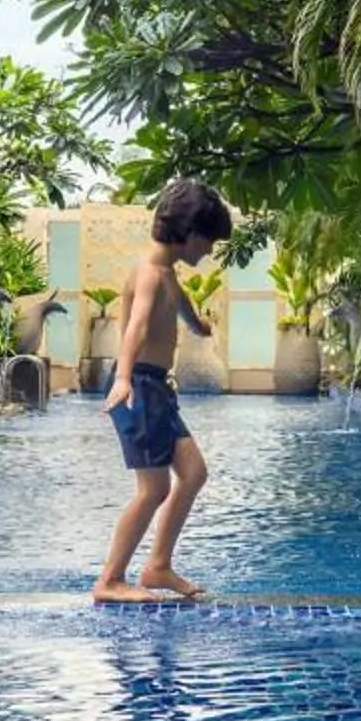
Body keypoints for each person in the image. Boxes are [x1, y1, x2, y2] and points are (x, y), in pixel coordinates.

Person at [93, 176, 232, 604]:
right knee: (153, 490)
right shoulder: (149, 274)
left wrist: (200, 326)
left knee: (193, 473)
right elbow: (135, 328)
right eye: (209, 241)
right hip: (137, 386)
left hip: (156, 389)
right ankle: (110, 580)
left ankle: (157, 566)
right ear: (188, 233)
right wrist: (122, 379)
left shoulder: (168, 274)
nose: (209, 251)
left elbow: (185, 312)